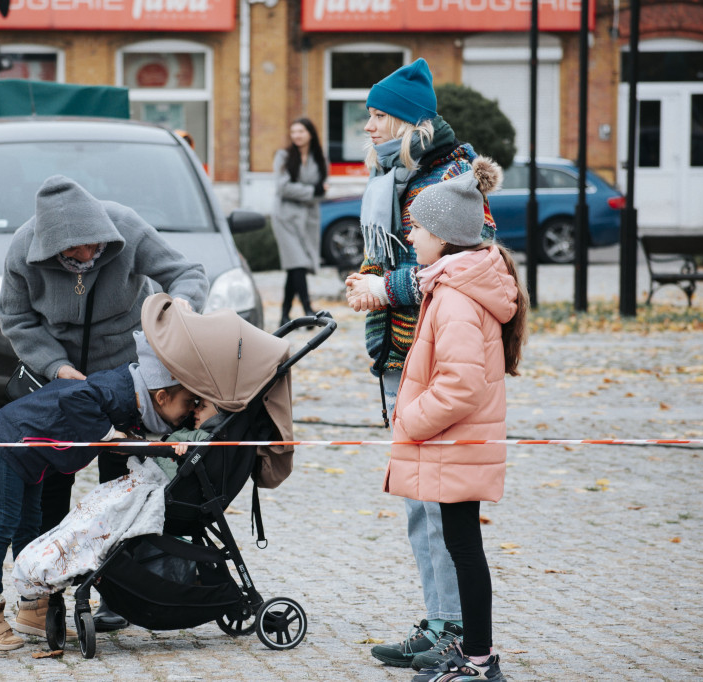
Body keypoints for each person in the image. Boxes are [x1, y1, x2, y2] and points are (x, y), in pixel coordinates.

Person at [0, 174, 208, 631]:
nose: (90, 257)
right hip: (64, 384)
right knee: (50, 489)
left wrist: (182, 308)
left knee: (126, 490)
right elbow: (14, 317)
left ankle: (120, 592)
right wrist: (55, 366)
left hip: (129, 382)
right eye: (77, 254)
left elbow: (187, 273)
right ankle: (41, 596)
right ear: (52, 248)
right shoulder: (22, 249)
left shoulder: (126, 227)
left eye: (96, 248)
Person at [343, 58, 498, 671]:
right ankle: (439, 620)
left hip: (433, 356)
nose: (369, 127)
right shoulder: (395, 174)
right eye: (368, 116)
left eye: (378, 115)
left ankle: (455, 629)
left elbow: (471, 266)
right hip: (400, 354)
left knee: (438, 504)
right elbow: (397, 257)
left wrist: (387, 290)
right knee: (418, 502)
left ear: (410, 120)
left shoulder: (452, 176)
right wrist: (368, 279)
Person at [0, 330, 199, 650]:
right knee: (5, 521)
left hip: (35, 453)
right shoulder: (119, 392)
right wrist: (161, 449)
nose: (188, 411)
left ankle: (32, 606)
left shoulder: (133, 391)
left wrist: (149, 443)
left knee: (31, 522)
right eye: (187, 403)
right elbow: (78, 401)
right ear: (161, 397)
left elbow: (116, 442)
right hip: (14, 439)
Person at [384, 157, 526, 682]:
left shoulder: (457, 299)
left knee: (465, 548)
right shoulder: (452, 285)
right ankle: (473, 651)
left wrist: (410, 418)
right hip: (457, 444)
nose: (411, 237)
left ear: (443, 237)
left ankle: (479, 658)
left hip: (455, 441)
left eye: (417, 228)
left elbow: (461, 384)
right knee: (463, 546)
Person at [271, 117, 328, 327]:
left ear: (310, 134)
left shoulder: (319, 158)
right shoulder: (283, 156)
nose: (296, 135)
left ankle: (284, 315)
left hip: (308, 218)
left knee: (295, 267)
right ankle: (308, 309)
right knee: (298, 263)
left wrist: (314, 192)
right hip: (285, 217)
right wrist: (312, 191)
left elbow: (323, 192)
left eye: (300, 131)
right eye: (293, 131)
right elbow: (282, 188)